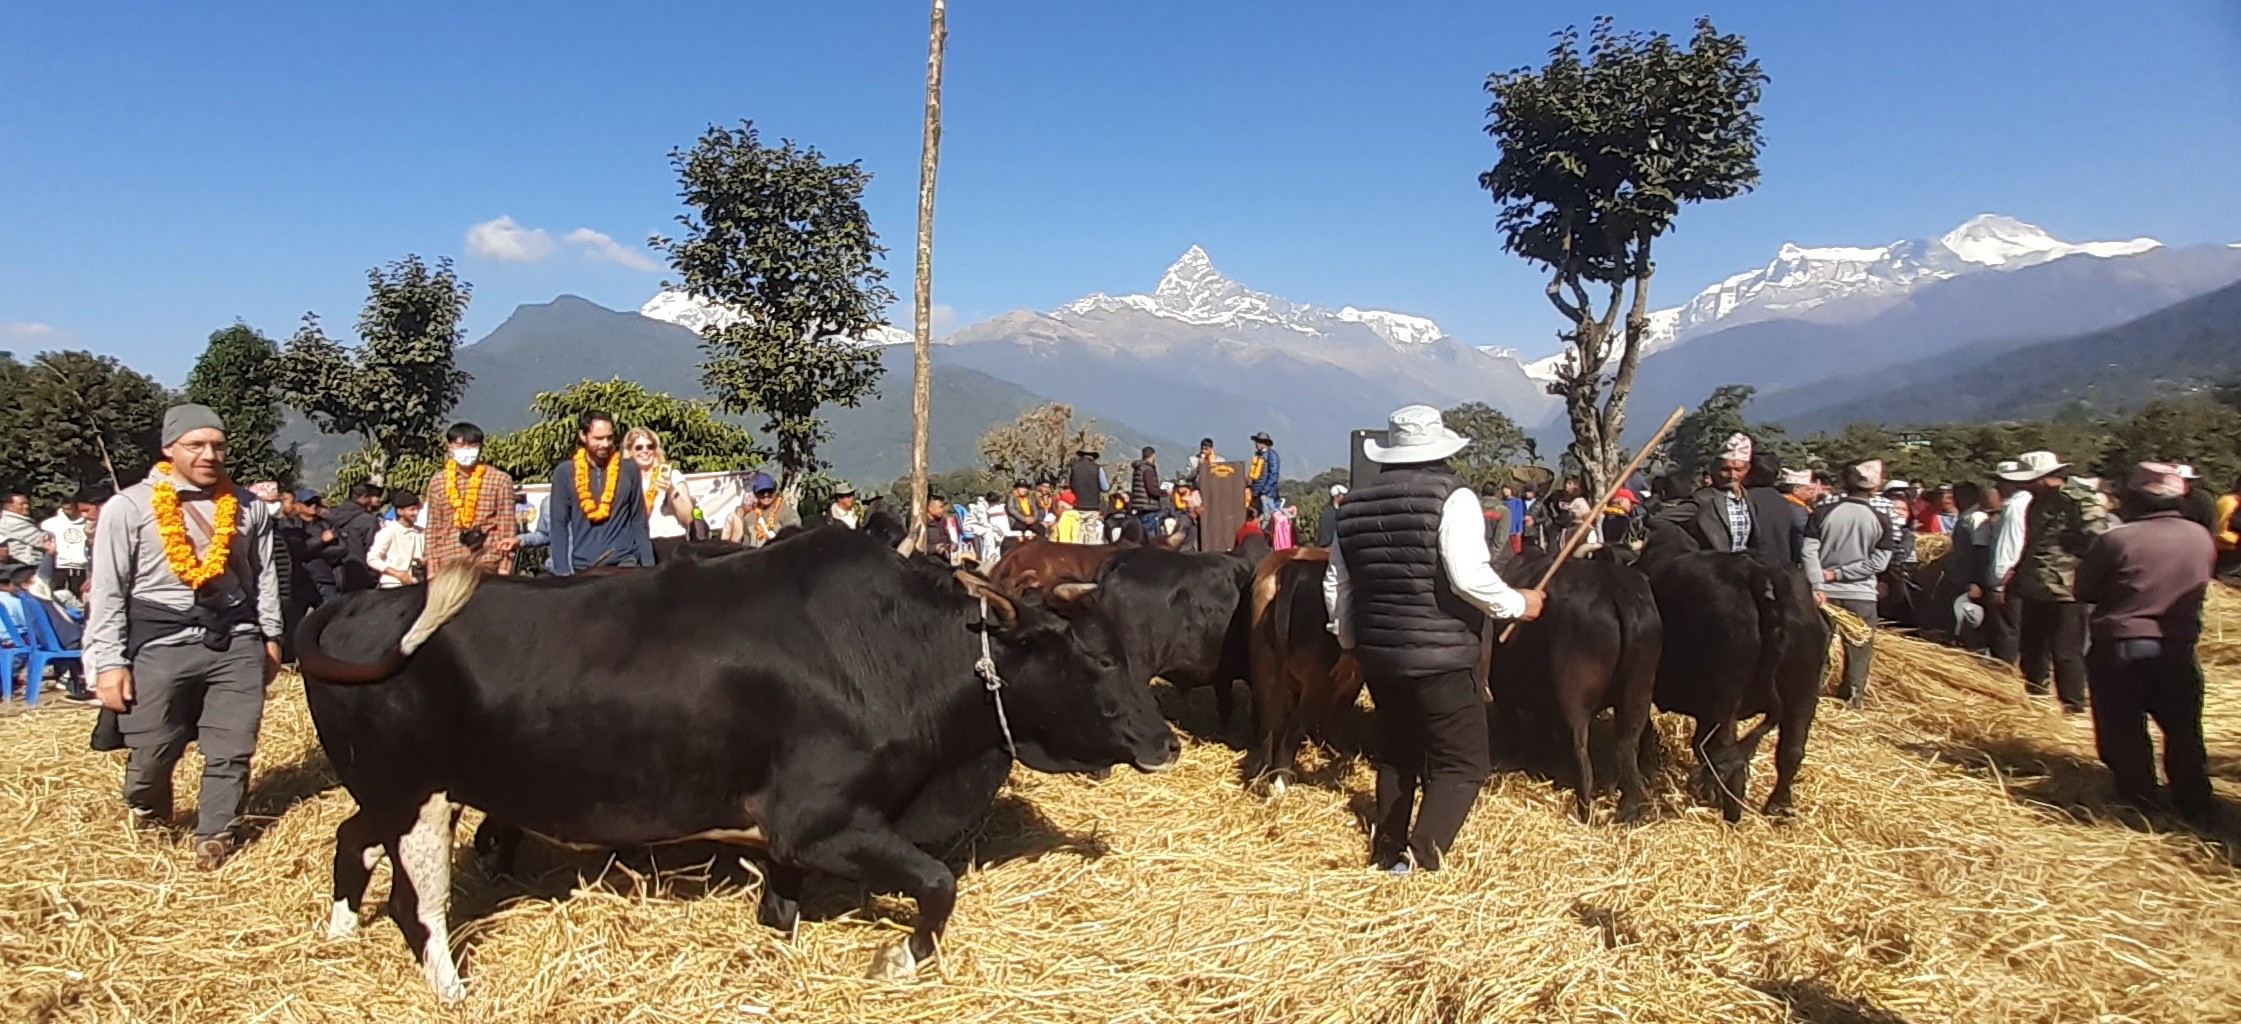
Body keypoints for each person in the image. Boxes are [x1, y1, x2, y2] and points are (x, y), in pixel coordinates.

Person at [1326, 406, 1545, 875]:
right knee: (1462, 764)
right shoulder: (1453, 496)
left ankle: (1387, 851)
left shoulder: (1354, 503)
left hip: (1378, 654)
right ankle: (1420, 858)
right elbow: (1467, 577)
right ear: (1440, 449)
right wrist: (1517, 604)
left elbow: (1337, 585)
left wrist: (1349, 643)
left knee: (1397, 751)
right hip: (1443, 656)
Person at [85, 405, 282, 870]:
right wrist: (107, 663)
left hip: (235, 638)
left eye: (217, 445)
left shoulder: (249, 506)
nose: (209, 455)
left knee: (232, 748)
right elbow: (108, 589)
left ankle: (216, 833)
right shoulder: (129, 507)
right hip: (160, 641)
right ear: (168, 448)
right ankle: (148, 807)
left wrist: (271, 635)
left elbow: (266, 576)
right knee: (153, 747)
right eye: (196, 445)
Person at [2076, 463, 2218, 818]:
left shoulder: (2117, 539)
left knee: (2123, 730)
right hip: (2179, 646)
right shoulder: (2201, 538)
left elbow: (2084, 590)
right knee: (2184, 730)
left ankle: (2139, 801)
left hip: (2122, 644)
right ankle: (2195, 802)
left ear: (2136, 499)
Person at [2004, 450, 2111, 713]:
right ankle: (2036, 695)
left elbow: (2099, 541)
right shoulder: (2037, 502)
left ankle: (2073, 705)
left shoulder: (2081, 501)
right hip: (2034, 584)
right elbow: (2033, 544)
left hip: (2067, 588)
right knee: (2031, 647)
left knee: (2066, 651)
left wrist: (2073, 546)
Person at [1803, 461, 1898, 709]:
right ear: (1876, 486)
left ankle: (1811, 696)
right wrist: (1842, 573)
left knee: (1818, 648)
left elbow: (1808, 551)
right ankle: (1853, 698)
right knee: (1859, 648)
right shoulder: (1881, 518)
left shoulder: (1823, 512)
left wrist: (1818, 582)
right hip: (1862, 594)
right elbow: (1880, 562)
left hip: (1823, 594)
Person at [547, 411, 655, 574]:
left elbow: (638, 521)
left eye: (609, 437)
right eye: (598, 438)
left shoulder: (628, 469)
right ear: (583, 436)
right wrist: (562, 571)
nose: (605, 444)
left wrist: (649, 567)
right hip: (585, 567)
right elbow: (558, 525)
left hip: (625, 563)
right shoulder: (565, 472)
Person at [422, 422, 519, 577]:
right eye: (460, 446)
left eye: (472, 446)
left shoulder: (500, 479)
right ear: (449, 447)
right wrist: (431, 568)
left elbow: (506, 525)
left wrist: (504, 567)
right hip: (448, 562)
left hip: (487, 560)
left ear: (481, 447)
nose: (466, 451)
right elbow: (434, 527)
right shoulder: (438, 482)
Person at [623, 427, 702, 542]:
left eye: (650, 446)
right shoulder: (624, 480)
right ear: (630, 452)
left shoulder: (671, 475)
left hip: (670, 542)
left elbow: (688, 518)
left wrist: (671, 490)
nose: (645, 451)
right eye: (639, 447)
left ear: (655, 450)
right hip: (637, 542)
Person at [325, 482, 385, 592]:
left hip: (337, 571)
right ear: (364, 498)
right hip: (363, 572)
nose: (379, 500)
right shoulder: (368, 520)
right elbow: (372, 547)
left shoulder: (334, 514)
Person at [366, 490, 425, 589]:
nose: (416, 512)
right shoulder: (389, 532)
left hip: (417, 584)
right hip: (393, 585)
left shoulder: (421, 532)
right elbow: (372, 558)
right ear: (400, 511)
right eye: (412, 509)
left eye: (417, 509)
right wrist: (397, 574)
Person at [725, 473, 801, 547]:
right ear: (755, 493)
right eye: (761, 491)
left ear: (775, 490)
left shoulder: (788, 514)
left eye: (769, 490)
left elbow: (795, 543)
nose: (766, 495)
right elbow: (745, 546)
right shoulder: (749, 518)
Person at [41, 496, 92, 603]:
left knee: (79, 598)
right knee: (60, 597)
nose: (69, 511)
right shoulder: (51, 524)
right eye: (66, 509)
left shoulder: (87, 522)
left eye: (71, 508)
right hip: (60, 567)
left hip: (80, 568)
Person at [1127, 447, 1164, 532]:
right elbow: (1151, 490)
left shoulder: (1138, 468)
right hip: (1148, 507)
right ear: (1153, 456)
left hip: (1138, 507)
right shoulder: (1148, 469)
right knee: (1149, 536)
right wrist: (1164, 493)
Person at [914, 495, 961, 562]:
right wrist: (934, 548)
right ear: (930, 508)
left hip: (945, 560)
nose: (942, 510)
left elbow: (948, 540)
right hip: (929, 562)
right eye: (940, 507)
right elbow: (917, 547)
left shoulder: (942, 521)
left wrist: (953, 545)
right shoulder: (922, 524)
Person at [1247, 432, 1282, 516]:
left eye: (1260, 441)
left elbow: (1273, 475)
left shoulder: (1272, 455)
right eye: (1257, 441)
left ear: (1266, 443)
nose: (1257, 444)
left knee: (1266, 519)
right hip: (1256, 494)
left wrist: (1264, 492)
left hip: (1267, 495)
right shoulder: (1258, 455)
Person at [1066, 448, 1104, 515]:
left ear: (1081, 456)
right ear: (1093, 457)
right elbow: (1105, 488)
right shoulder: (1098, 468)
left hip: (1076, 506)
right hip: (1093, 507)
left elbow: (1068, 485)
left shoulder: (1073, 467)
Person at [1499, 485, 1528, 555]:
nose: (1505, 491)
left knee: (1516, 550)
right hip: (1504, 529)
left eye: (1506, 489)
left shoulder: (1517, 501)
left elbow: (1519, 515)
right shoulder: (1502, 502)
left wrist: (1519, 529)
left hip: (1514, 530)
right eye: (1503, 489)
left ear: (1511, 489)